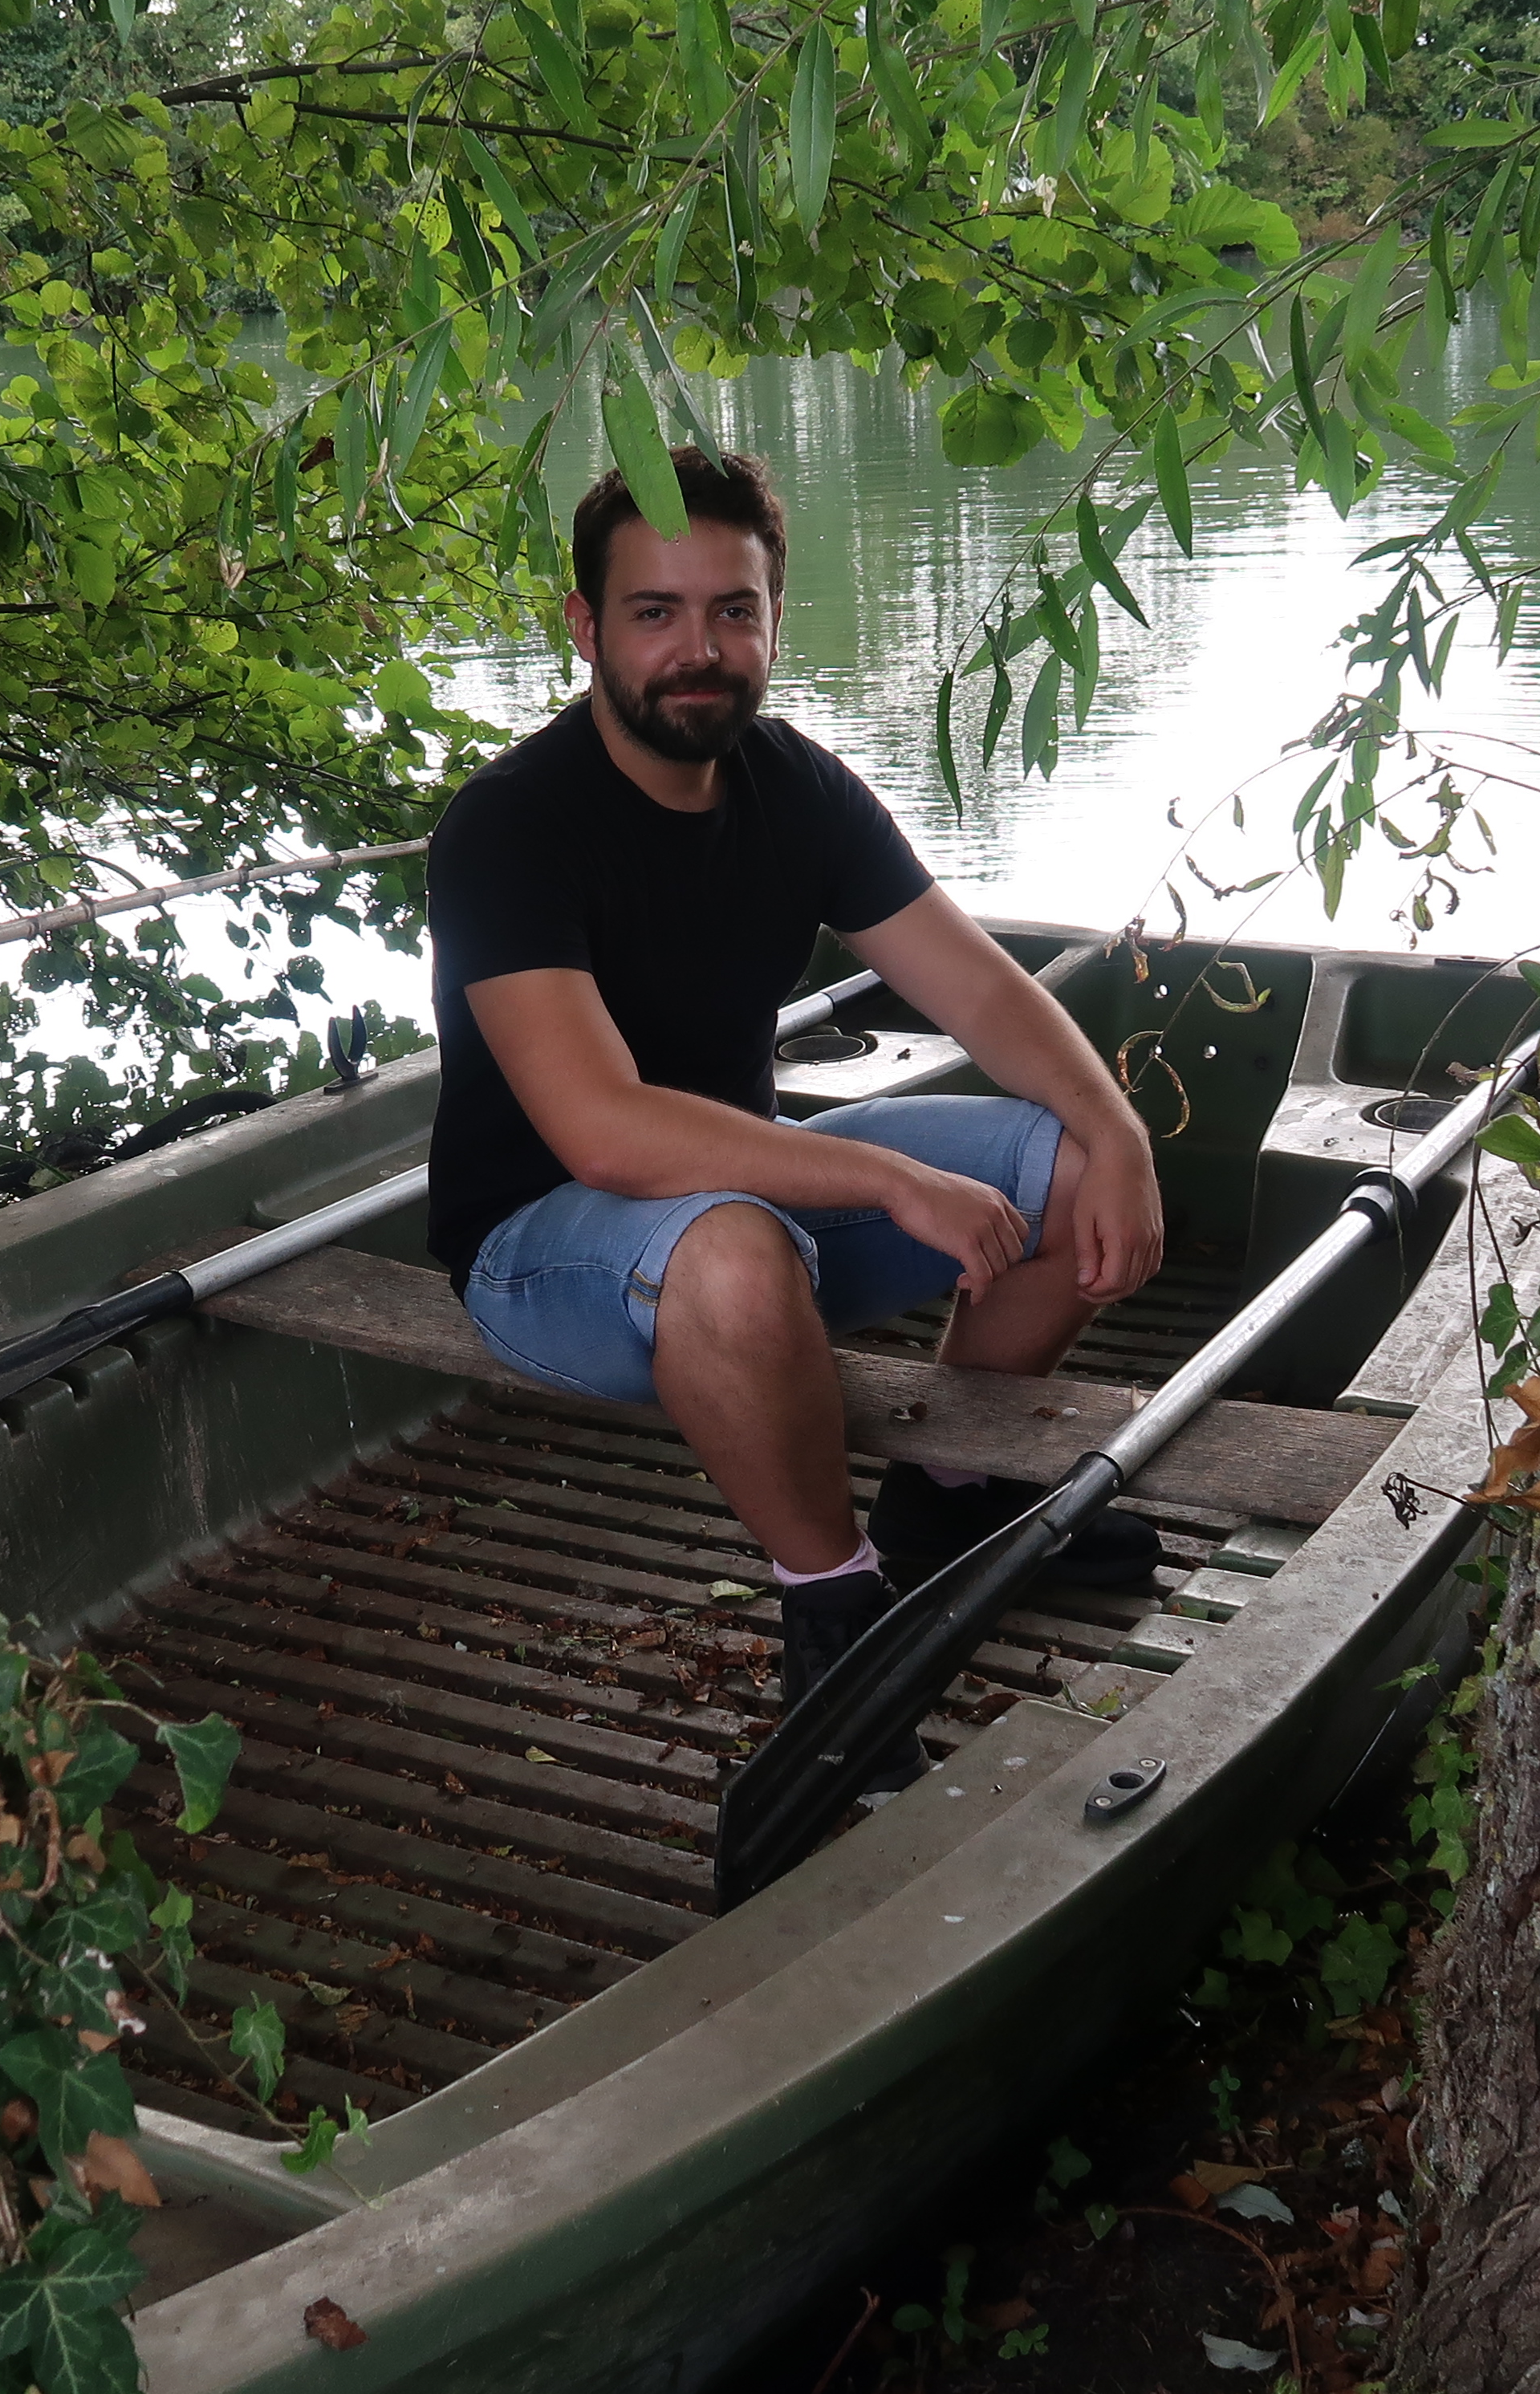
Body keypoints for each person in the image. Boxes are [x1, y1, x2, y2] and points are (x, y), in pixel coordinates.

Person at [424, 446, 1173, 1786]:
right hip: (546, 1246)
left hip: (748, 1208)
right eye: (655, 613)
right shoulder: (509, 829)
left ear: (776, 618)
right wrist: (885, 1179)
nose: (697, 650)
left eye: (734, 611)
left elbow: (984, 995)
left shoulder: (795, 786)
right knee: (730, 1250)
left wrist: (1114, 1129)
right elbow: (602, 1131)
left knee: (1063, 1164)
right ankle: (834, 1613)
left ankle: (948, 1497)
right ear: (588, 629)